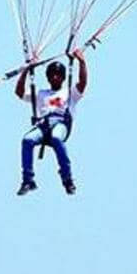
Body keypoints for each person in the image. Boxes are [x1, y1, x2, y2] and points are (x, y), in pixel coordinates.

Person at [14, 48, 87, 195]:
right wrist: (25, 71)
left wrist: (81, 61)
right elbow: (19, 92)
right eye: (52, 75)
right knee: (27, 140)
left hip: (61, 124)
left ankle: (67, 179)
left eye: (58, 75)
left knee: (56, 138)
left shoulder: (69, 92)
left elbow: (83, 83)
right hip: (43, 126)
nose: (55, 77)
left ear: (63, 77)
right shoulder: (41, 94)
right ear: (48, 77)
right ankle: (28, 180)